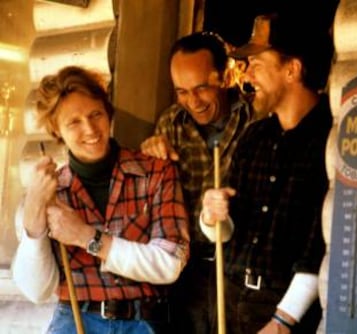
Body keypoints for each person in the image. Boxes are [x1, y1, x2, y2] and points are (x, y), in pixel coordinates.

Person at [12, 66, 190, 334]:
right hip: (75, 319)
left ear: (108, 114)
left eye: (96, 114)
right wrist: (34, 219)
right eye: (74, 122)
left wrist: (87, 237)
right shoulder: (50, 193)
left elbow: (168, 265)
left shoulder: (156, 172)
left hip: (143, 321)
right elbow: (37, 291)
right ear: (56, 130)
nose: (90, 129)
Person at [200, 13, 334, 334]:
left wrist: (283, 321)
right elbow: (227, 232)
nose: (247, 76)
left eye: (257, 64)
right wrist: (211, 216)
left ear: (292, 69)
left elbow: (321, 243)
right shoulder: (254, 136)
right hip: (229, 298)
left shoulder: (332, 139)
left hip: (287, 312)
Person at [140, 32, 257, 334]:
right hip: (185, 273)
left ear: (225, 76)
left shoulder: (256, 117)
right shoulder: (170, 124)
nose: (193, 102)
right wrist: (148, 159)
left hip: (236, 270)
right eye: (182, 91)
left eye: (202, 87)